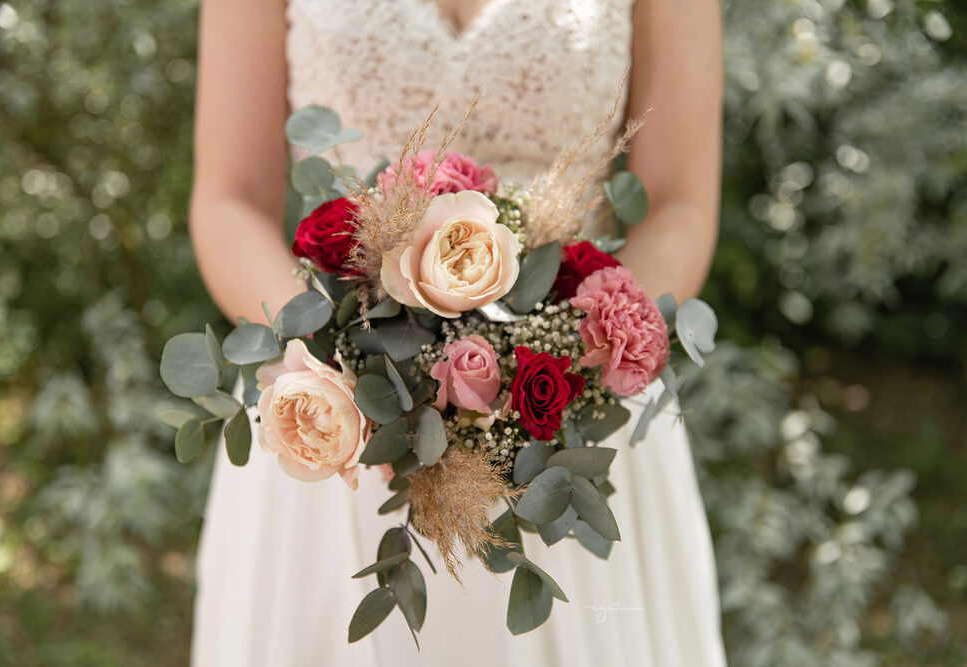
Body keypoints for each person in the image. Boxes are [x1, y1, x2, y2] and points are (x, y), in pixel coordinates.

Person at [188, 1, 726, 665]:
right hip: (335, 413)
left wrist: (568, 357)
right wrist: (341, 354)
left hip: (568, 413)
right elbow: (229, 198)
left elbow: (679, 204)